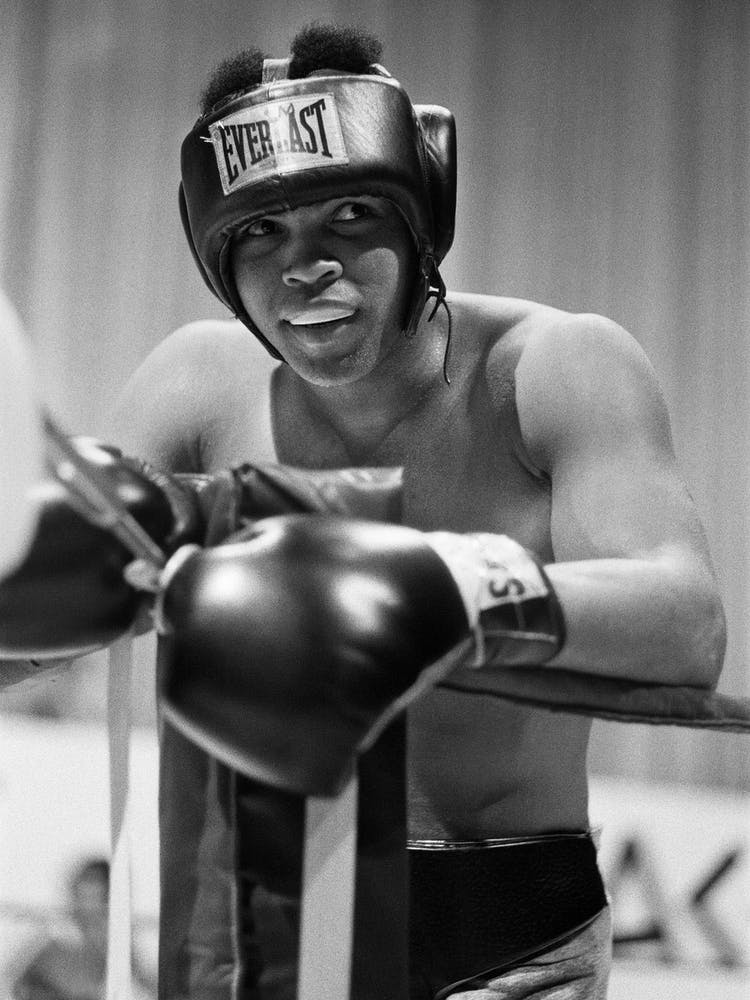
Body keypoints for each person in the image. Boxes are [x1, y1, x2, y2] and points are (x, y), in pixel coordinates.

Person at [106, 23, 726, 1000]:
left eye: (347, 214)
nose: (304, 267)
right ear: (214, 250)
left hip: (503, 939)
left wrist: (439, 591)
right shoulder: (195, 385)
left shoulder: (554, 366)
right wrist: (56, 580)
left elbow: (684, 620)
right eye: (260, 230)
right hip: (258, 927)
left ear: (419, 216)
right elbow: (34, 619)